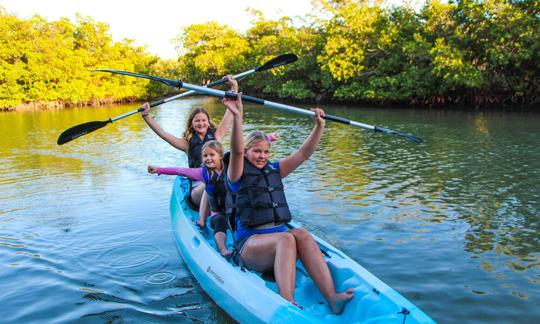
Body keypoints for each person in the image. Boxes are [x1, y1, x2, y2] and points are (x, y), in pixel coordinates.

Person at [223, 93, 354, 314]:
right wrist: (237, 117)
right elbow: (235, 150)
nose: (262, 156)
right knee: (286, 238)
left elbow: (304, 153)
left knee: (301, 233)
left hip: (280, 240)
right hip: (250, 244)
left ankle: (333, 298)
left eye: (266, 151)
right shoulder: (237, 174)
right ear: (246, 153)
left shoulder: (275, 169)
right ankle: (287, 304)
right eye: (256, 151)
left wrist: (319, 125)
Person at [140, 75, 238, 208]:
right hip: (198, 188)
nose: (201, 123)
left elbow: (230, 113)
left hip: (220, 181)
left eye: (204, 120)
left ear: (209, 123)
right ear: (191, 124)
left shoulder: (217, 135)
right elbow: (163, 134)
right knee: (212, 182)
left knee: (230, 178)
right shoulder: (187, 144)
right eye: (197, 120)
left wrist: (234, 87)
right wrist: (147, 116)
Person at [148, 140, 233, 257]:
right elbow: (179, 170)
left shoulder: (231, 170)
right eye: (205, 156)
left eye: (211, 155)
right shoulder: (203, 173)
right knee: (219, 223)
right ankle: (222, 249)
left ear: (220, 156)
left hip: (233, 210)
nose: (208, 158)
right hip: (217, 213)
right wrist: (159, 170)